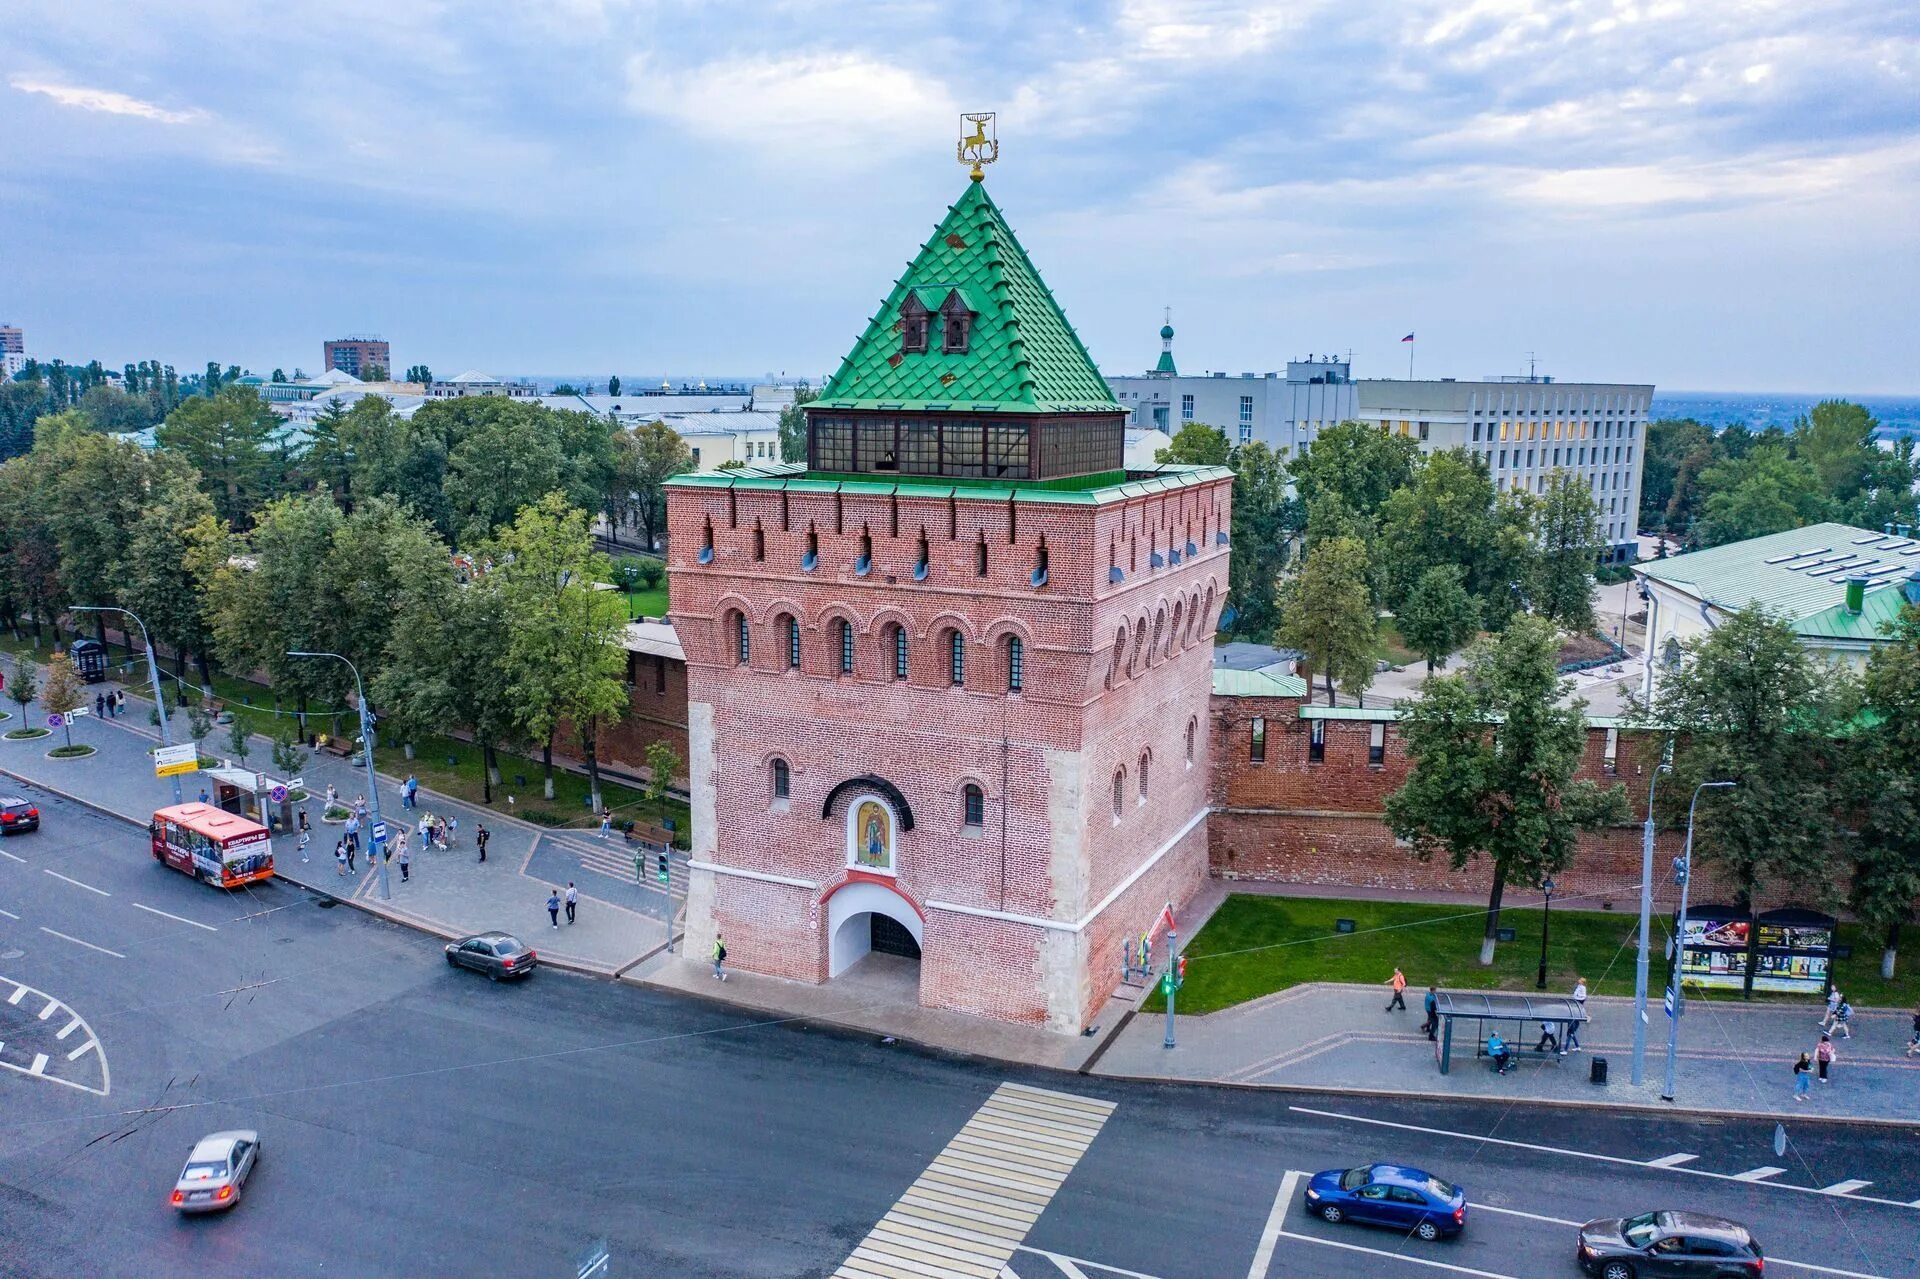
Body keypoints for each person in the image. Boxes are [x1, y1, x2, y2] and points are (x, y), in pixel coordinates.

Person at [1564, 976, 1589, 1053]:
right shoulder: (1579, 986)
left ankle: (1565, 1050)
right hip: (1575, 1019)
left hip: (1574, 1021)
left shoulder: (1583, 988)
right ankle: (1577, 1046)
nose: (1578, 981)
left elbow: (1583, 996)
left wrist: (1577, 997)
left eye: (1580, 980)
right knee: (1571, 1034)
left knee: (1570, 1034)